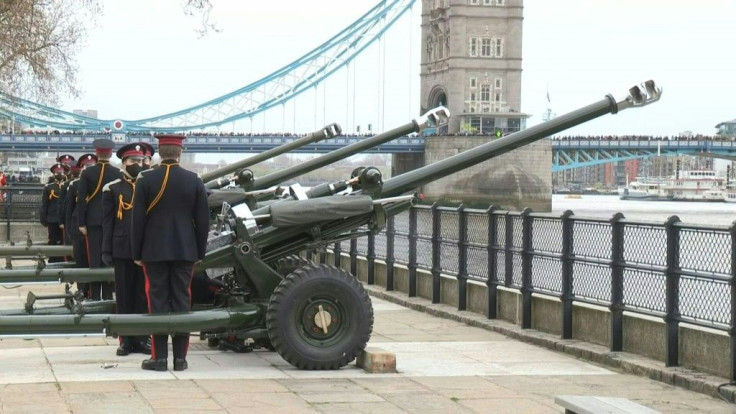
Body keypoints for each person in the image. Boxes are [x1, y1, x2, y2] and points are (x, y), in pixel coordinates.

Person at [131, 134, 209, 372]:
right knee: (182, 301)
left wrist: (137, 251)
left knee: (157, 302)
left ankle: (160, 358)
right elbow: (203, 221)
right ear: (180, 153)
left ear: (158, 152)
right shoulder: (193, 180)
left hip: (153, 250)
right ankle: (181, 359)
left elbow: (137, 220)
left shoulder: (145, 179)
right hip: (185, 250)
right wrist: (199, 251)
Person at [102, 143, 151, 356]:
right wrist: (106, 250)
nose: (137, 165)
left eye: (140, 162)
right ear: (124, 163)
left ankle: (142, 338)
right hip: (121, 249)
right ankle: (125, 340)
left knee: (142, 296)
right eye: (133, 162)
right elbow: (107, 223)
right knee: (123, 297)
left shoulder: (148, 186)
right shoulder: (112, 188)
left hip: (144, 250)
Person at [77, 139, 119, 300]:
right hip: (111, 222)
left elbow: (81, 199)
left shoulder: (87, 173)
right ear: (110, 154)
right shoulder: (117, 173)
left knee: (94, 260)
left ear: (96, 153)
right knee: (107, 258)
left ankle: (94, 297)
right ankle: (108, 297)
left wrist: (81, 222)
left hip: (92, 221)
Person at [64, 154, 97, 297]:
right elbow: (69, 209)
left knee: (95, 263)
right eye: (86, 166)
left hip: (95, 229)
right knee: (81, 262)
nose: (88, 169)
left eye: (91, 166)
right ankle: (82, 291)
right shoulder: (74, 185)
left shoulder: (101, 184)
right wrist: (69, 231)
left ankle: (95, 293)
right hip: (78, 230)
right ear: (81, 169)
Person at [40, 163, 69, 262]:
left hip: (65, 219)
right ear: (53, 174)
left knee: (64, 240)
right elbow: (45, 204)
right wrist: (43, 219)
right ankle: (53, 259)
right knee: (53, 239)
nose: (59, 174)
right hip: (52, 218)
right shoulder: (48, 187)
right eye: (57, 172)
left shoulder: (68, 186)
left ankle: (64, 259)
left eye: (61, 172)